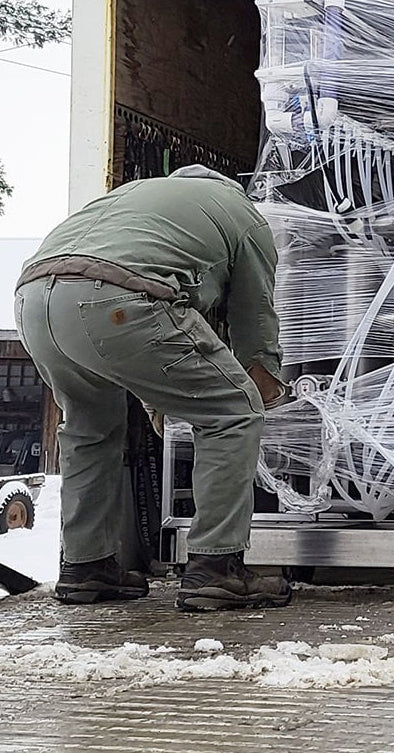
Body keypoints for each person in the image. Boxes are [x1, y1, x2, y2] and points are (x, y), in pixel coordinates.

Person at [14, 165, 292, 611]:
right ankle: (217, 569)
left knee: (89, 429)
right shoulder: (243, 213)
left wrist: (158, 396)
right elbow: (254, 321)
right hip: (118, 299)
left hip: (35, 302)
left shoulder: (129, 198)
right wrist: (269, 388)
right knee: (234, 411)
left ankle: (87, 567)